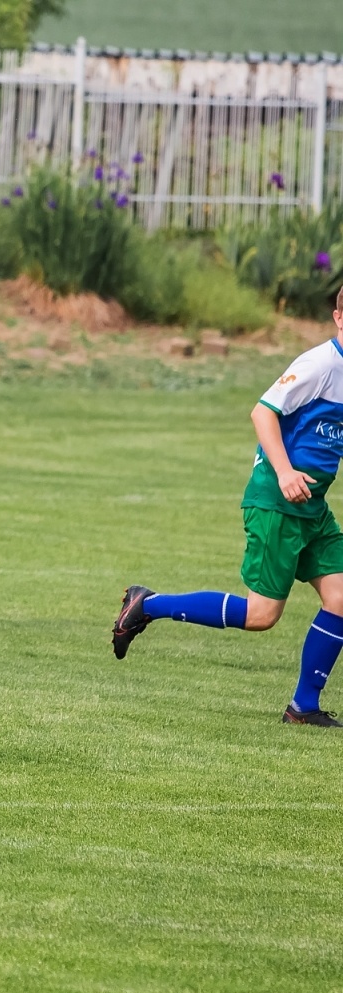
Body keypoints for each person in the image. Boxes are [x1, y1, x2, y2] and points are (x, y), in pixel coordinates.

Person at [112, 286, 343, 727]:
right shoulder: (321, 364)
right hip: (277, 503)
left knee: (341, 597)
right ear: (338, 317)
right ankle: (148, 604)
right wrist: (284, 472)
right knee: (261, 616)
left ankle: (303, 708)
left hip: (312, 508)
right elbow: (263, 412)